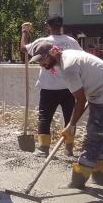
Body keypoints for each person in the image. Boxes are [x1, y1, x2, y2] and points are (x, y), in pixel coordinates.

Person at [29, 41, 103, 189]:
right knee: (102, 136)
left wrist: (71, 126)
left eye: (42, 59)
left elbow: (80, 101)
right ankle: (100, 178)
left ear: (52, 53)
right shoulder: (67, 56)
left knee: (93, 138)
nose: (40, 63)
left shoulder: (68, 69)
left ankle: (77, 183)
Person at [20, 14, 84, 157]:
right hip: (70, 87)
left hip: (49, 87)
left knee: (44, 117)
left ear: (48, 26)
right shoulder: (72, 42)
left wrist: (25, 31)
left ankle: (43, 149)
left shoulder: (43, 42)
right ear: (61, 26)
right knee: (70, 117)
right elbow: (81, 57)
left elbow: (24, 48)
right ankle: (68, 148)